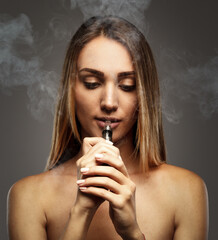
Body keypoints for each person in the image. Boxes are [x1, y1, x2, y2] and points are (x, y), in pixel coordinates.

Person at [7, 16, 209, 240]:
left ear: (143, 94)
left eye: (127, 86)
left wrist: (132, 232)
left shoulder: (185, 192)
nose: (109, 102)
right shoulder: (28, 197)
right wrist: (80, 213)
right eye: (92, 83)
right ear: (70, 90)